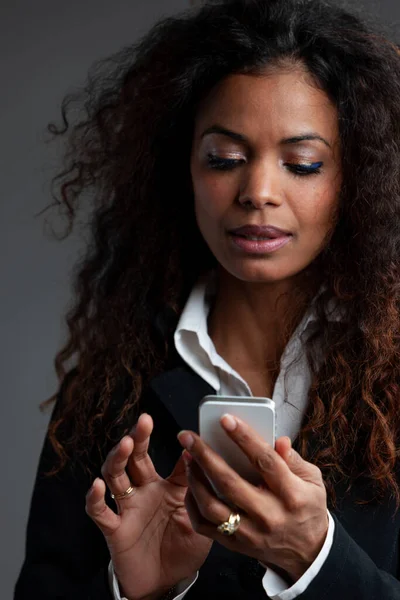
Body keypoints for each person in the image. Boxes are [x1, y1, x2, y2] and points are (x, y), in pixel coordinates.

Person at [14, 0, 400, 598]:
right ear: (185, 169)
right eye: (225, 158)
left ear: (356, 179)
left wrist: (316, 560)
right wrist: (134, 590)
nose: (258, 191)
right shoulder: (107, 386)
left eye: (302, 164)